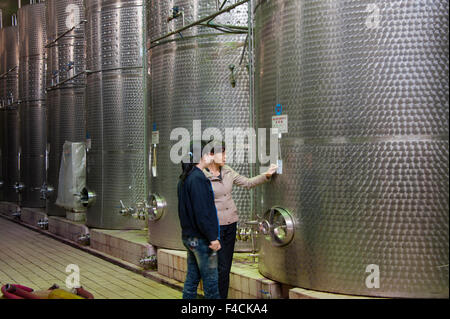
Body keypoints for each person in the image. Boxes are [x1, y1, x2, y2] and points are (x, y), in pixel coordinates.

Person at [203, 140, 277, 299]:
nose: (225, 156)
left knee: (225, 267)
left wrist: (266, 175)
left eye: (225, 152)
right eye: (221, 153)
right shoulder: (202, 176)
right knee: (217, 267)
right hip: (214, 227)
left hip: (231, 224)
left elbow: (247, 183)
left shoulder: (228, 171)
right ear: (211, 155)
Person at [177, 140, 222, 299]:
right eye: (210, 153)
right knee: (211, 285)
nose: (212, 156)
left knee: (192, 280)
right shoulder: (198, 178)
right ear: (202, 155)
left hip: (189, 237)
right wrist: (212, 237)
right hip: (202, 239)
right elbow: (203, 212)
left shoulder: (185, 177)